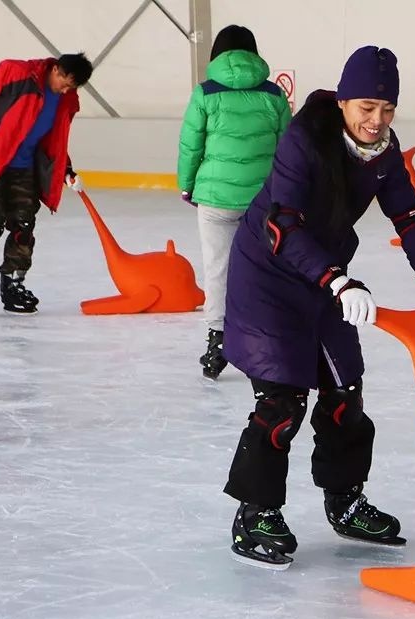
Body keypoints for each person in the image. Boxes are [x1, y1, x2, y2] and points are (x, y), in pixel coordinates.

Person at [221, 45, 415, 569]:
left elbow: (408, 215)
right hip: (268, 275)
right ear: (341, 101)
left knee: (344, 392)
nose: (376, 121)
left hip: (327, 276)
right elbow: (281, 225)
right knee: (281, 400)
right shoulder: (304, 141)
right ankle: (255, 511)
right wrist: (338, 280)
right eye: (365, 108)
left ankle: (346, 500)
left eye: (386, 110)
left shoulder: (383, 149)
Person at [177, 25, 292, 379]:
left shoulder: (205, 93)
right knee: (267, 270)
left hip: (216, 199)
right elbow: (289, 149)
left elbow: (190, 144)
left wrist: (187, 185)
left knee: (218, 269)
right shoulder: (273, 95)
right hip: (263, 200)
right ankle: (271, 343)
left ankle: (217, 340)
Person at [0, 52, 93, 315]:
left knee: (24, 224)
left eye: (72, 87)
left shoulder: (67, 100)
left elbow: (54, 138)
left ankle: (13, 283)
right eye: (65, 82)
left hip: (23, 166)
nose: (66, 89)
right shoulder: (17, 73)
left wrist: (64, 168)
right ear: (55, 69)